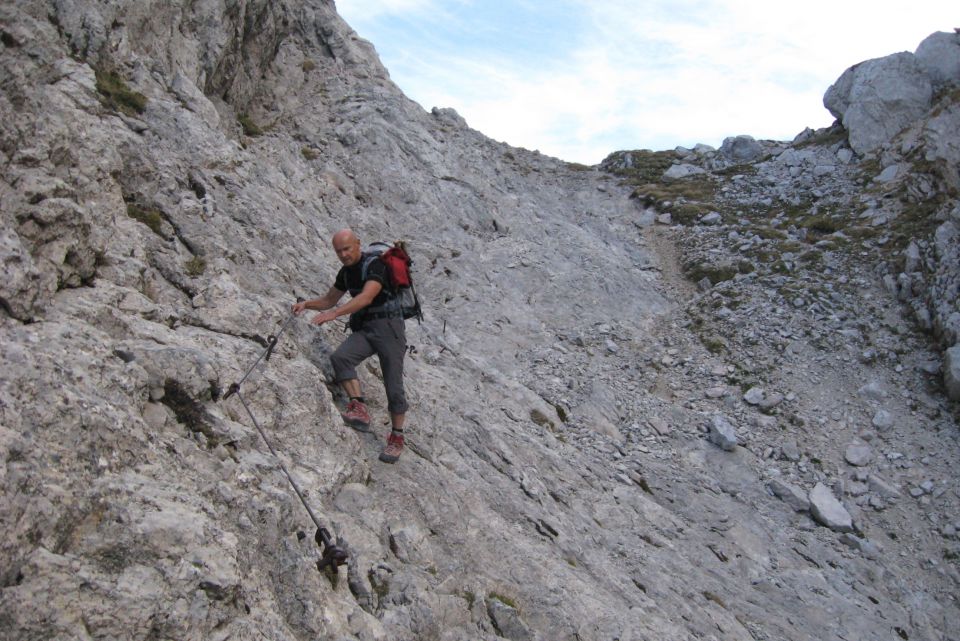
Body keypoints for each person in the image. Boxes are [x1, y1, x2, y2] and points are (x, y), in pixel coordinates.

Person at [292, 229, 408, 463]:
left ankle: (397, 437)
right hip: (366, 328)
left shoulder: (376, 266)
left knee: (393, 385)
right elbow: (329, 299)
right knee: (341, 358)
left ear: (357, 245)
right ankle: (359, 408)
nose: (343, 254)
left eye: (347, 248)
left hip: (389, 328)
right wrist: (306, 304)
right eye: (339, 251)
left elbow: (366, 297)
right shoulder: (346, 273)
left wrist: (334, 314)